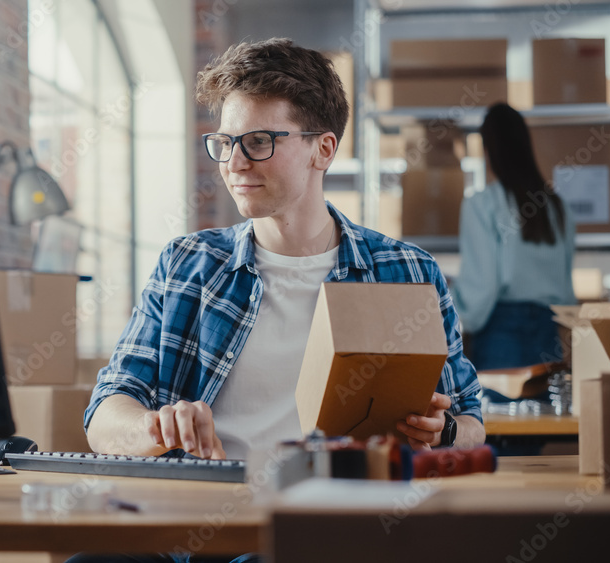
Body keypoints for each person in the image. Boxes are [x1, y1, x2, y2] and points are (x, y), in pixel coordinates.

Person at [67, 38, 484, 563]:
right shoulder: (189, 266)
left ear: (323, 149)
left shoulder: (404, 271)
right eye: (225, 141)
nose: (236, 162)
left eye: (259, 141)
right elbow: (105, 411)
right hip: (199, 530)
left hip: (329, 533)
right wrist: (154, 426)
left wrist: (443, 430)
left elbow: (471, 420)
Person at [451, 103, 576, 371]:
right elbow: (566, 289)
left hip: (500, 333)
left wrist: (454, 322)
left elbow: (482, 286)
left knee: (495, 412)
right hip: (548, 332)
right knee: (545, 412)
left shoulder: (481, 204)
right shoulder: (557, 207)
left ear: (488, 151)